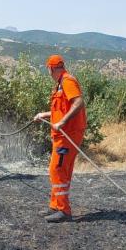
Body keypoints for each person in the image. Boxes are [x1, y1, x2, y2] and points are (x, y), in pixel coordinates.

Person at [33, 54, 86, 222]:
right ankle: (55, 206)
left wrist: (62, 122)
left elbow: (78, 102)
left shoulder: (67, 81)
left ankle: (64, 210)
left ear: (51, 68)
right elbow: (61, 110)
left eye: (48, 69)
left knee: (58, 169)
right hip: (62, 135)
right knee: (57, 169)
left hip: (68, 135)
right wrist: (44, 114)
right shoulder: (60, 84)